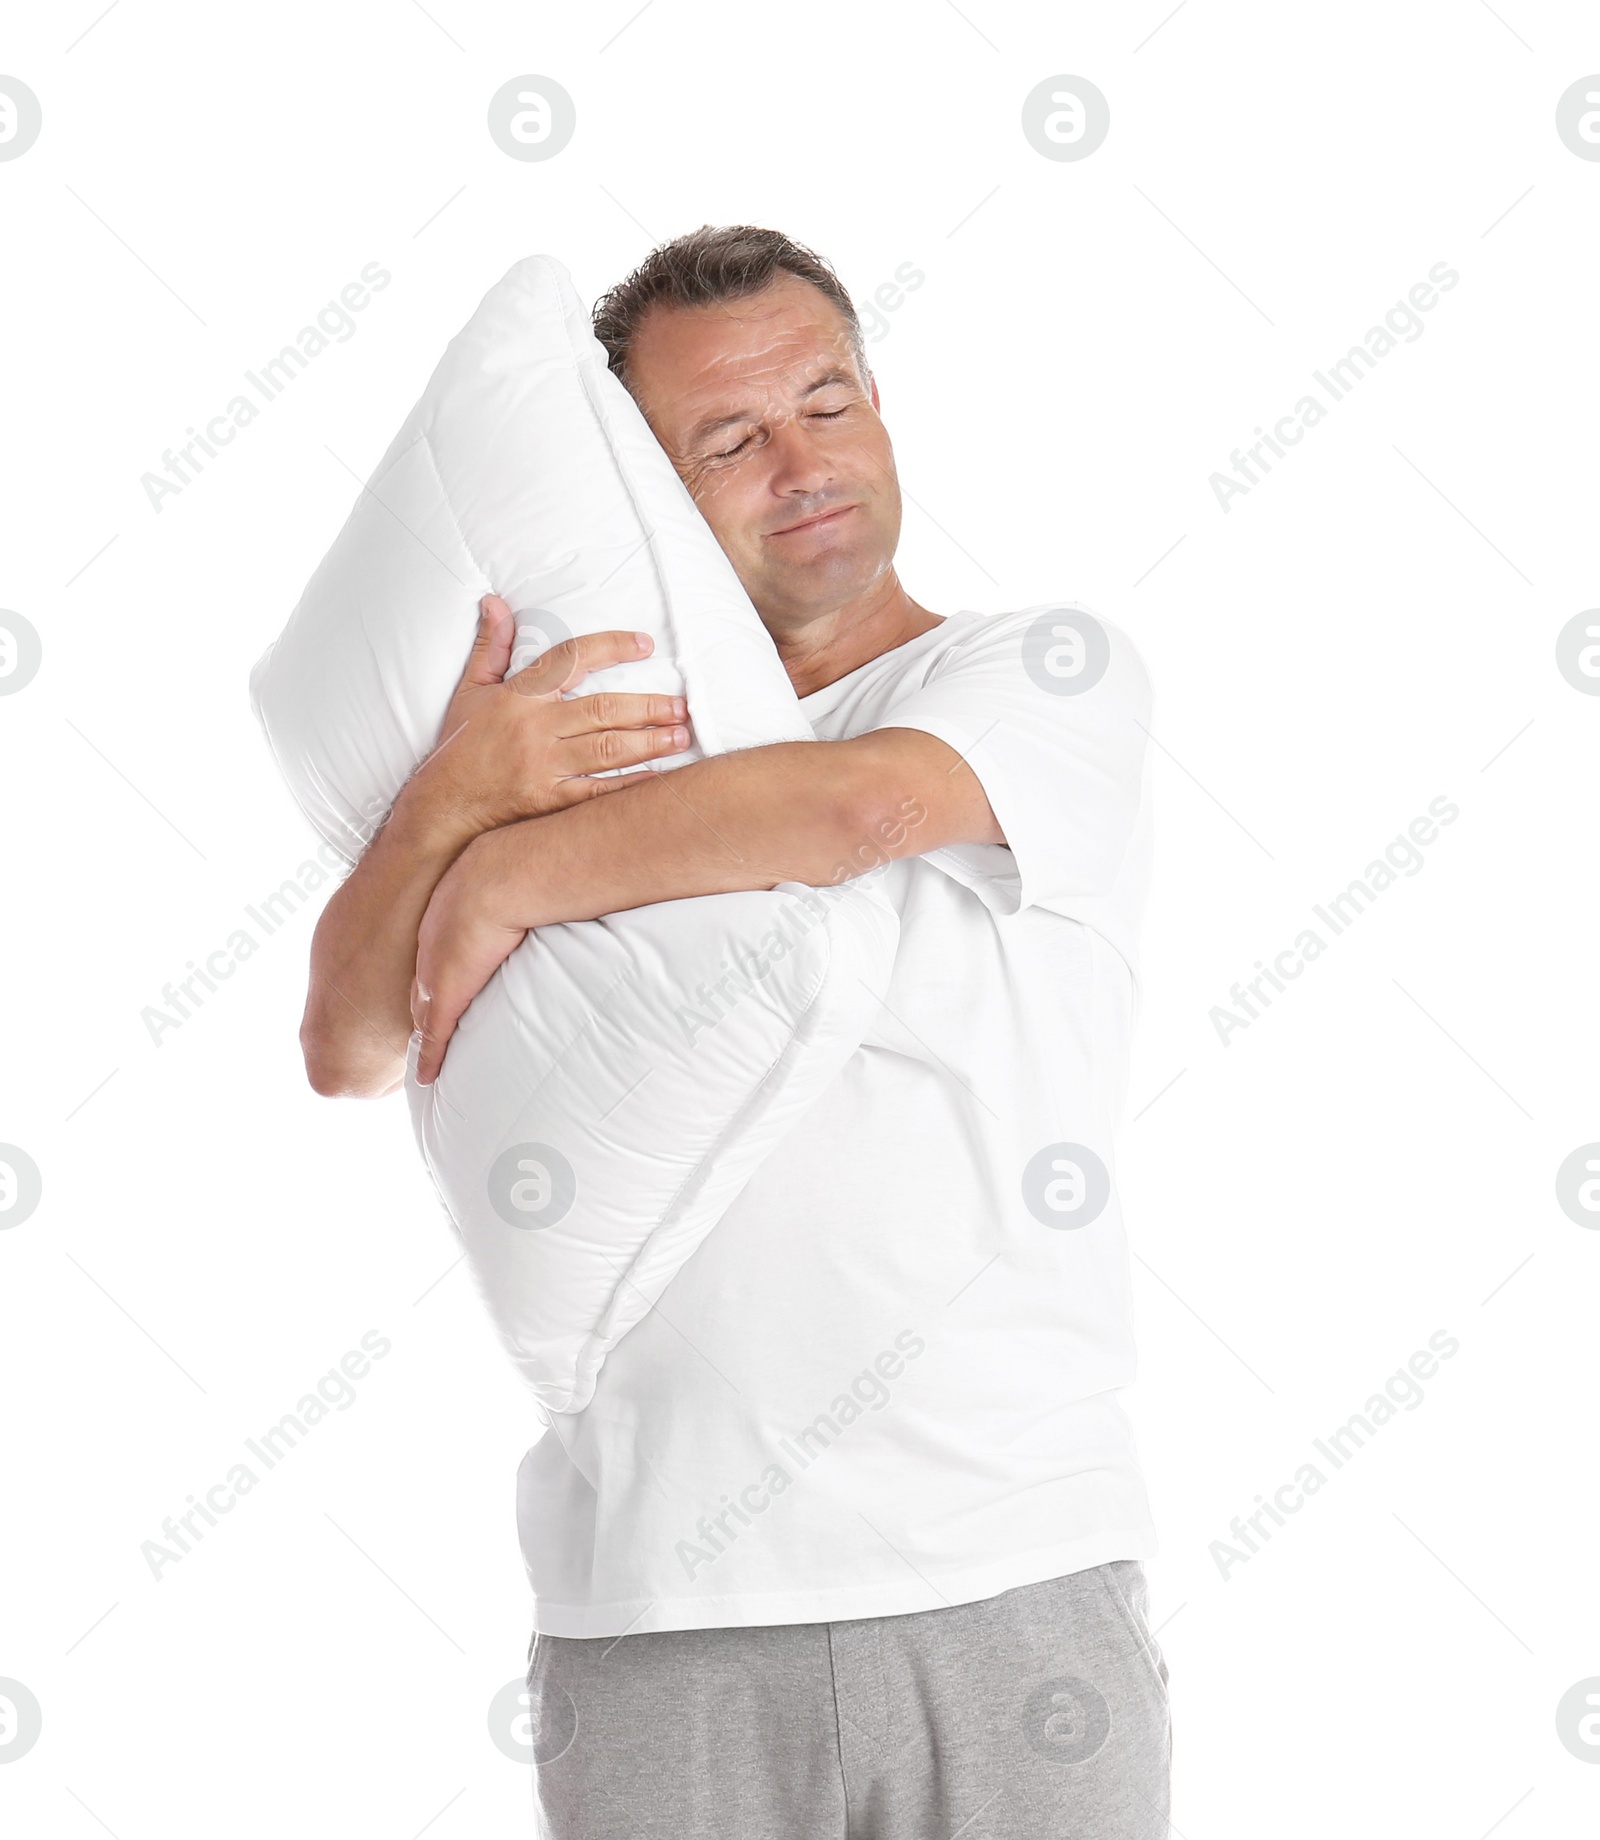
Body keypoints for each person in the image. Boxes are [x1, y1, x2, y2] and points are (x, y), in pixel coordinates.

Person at [300, 225, 1170, 1838]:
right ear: (653, 497)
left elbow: (863, 802)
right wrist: (450, 808)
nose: (801, 464)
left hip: (1004, 1564)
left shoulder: (1035, 674)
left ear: (882, 406)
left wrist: (511, 876)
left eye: (827, 405)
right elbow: (346, 1045)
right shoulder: (567, 757)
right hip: (656, 1608)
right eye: (728, 440)